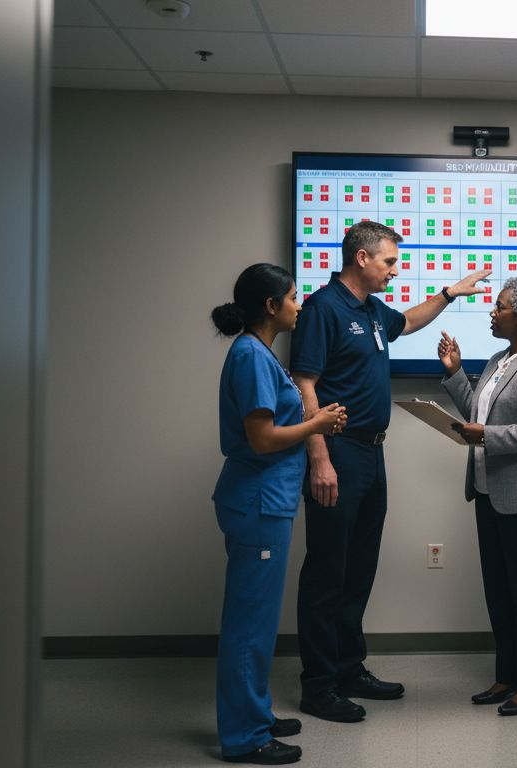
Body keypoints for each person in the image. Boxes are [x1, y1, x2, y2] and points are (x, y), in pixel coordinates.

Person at [289, 220, 491, 722]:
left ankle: (348, 668)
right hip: (336, 451)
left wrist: (448, 294)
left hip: (371, 452)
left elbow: (407, 321)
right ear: (361, 259)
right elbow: (304, 386)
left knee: (358, 568)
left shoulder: (370, 310)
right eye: (389, 262)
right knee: (327, 572)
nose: (394, 271)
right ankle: (317, 685)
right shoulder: (322, 309)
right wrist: (318, 458)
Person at [210, 263, 347, 765]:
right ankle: (246, 737)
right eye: (293, 296)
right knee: (250, 624)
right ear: (270, 306)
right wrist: (318, 422)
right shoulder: (249, 355)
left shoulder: (260, 353)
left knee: (260, 621)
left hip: (267, 499)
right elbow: (262, 438)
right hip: (258, 501)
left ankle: (257, 714)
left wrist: (316, 421)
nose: (300, 303)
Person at [436, 277, 517, 716]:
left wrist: (485, 434)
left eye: (499, 307)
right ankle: (508, 676)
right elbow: (478, 412)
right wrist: (456, 373)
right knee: (499, 592)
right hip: (490, 492)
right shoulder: (499, 358)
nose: (492, 313)